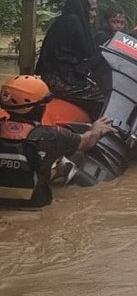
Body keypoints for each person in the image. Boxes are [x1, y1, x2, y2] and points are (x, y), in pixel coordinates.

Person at [0, 75, 115, 208]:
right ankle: (64, 170)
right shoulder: (53, 136)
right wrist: (97, 129)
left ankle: (60, 170)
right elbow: (86, 142)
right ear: (37, 108)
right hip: (34, 206)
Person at [35, 0, 104, 119]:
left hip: (63, 74)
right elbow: (64, 58)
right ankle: (96, 133)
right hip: (57, 77)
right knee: (99, 98)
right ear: (82, 7)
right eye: (91, 9)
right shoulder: (72, 22)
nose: (94, 14)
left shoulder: (72, 21)